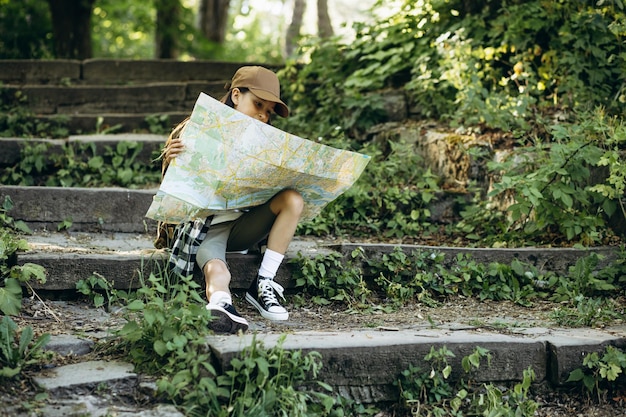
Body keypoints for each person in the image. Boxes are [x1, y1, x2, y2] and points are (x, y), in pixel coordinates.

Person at [158, 66, 304, 334]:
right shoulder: (198, 129)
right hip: (204, 227)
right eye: (258, 104)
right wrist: (171, 161)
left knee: (292, 199)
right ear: (236, 95)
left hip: (244, 224)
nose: (263, 114)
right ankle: (221, 304)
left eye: (269, 111)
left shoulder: (268, 142)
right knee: (216, 268)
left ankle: (263, 283)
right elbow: (173, 197)